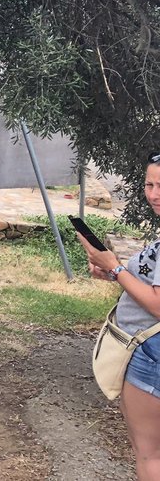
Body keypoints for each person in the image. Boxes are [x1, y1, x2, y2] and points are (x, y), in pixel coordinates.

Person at [80, 154, 160, 480]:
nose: (154, 194)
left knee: (149, 453)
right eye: (149, 184)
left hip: (151, 354)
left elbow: (158, 305)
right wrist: (114, 273)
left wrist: (114, 266)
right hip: (147, 351)